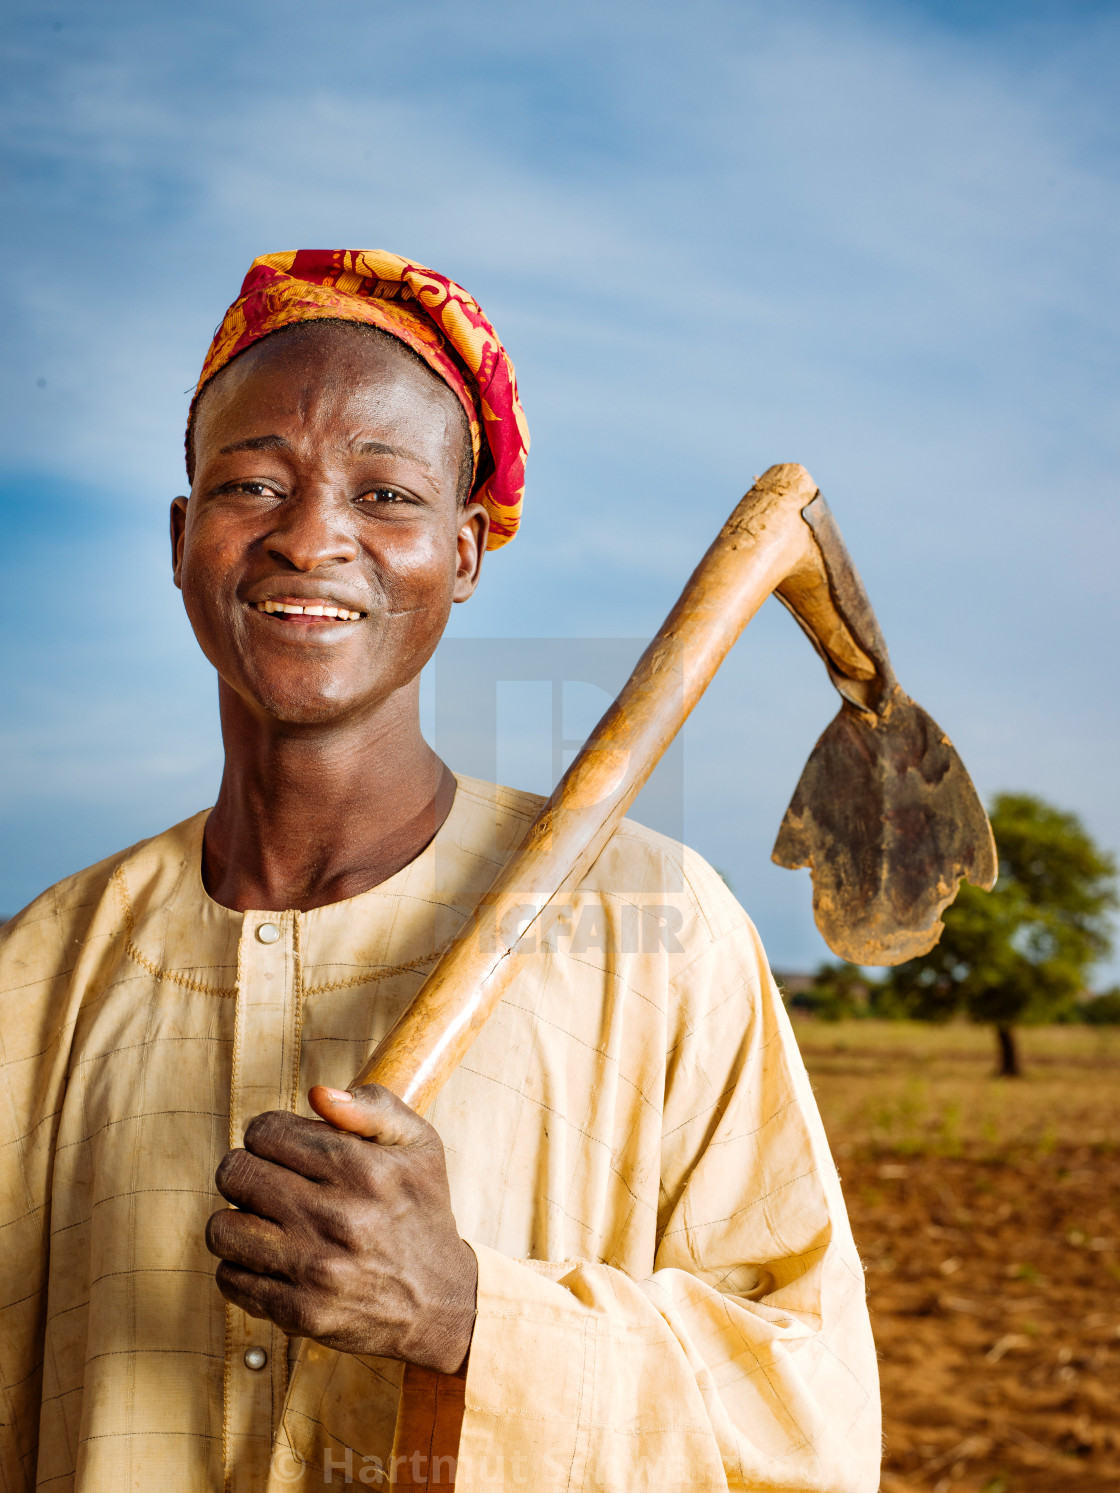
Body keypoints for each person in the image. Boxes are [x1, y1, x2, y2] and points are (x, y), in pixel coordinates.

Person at [0, 251, 880, 1492]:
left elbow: (814, 1425)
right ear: (183, 535)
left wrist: (471, 1315)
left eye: (386, 496)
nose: (311, 538)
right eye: (254, 483)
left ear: (464, 552)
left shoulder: (652, 930)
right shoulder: (39, 970)